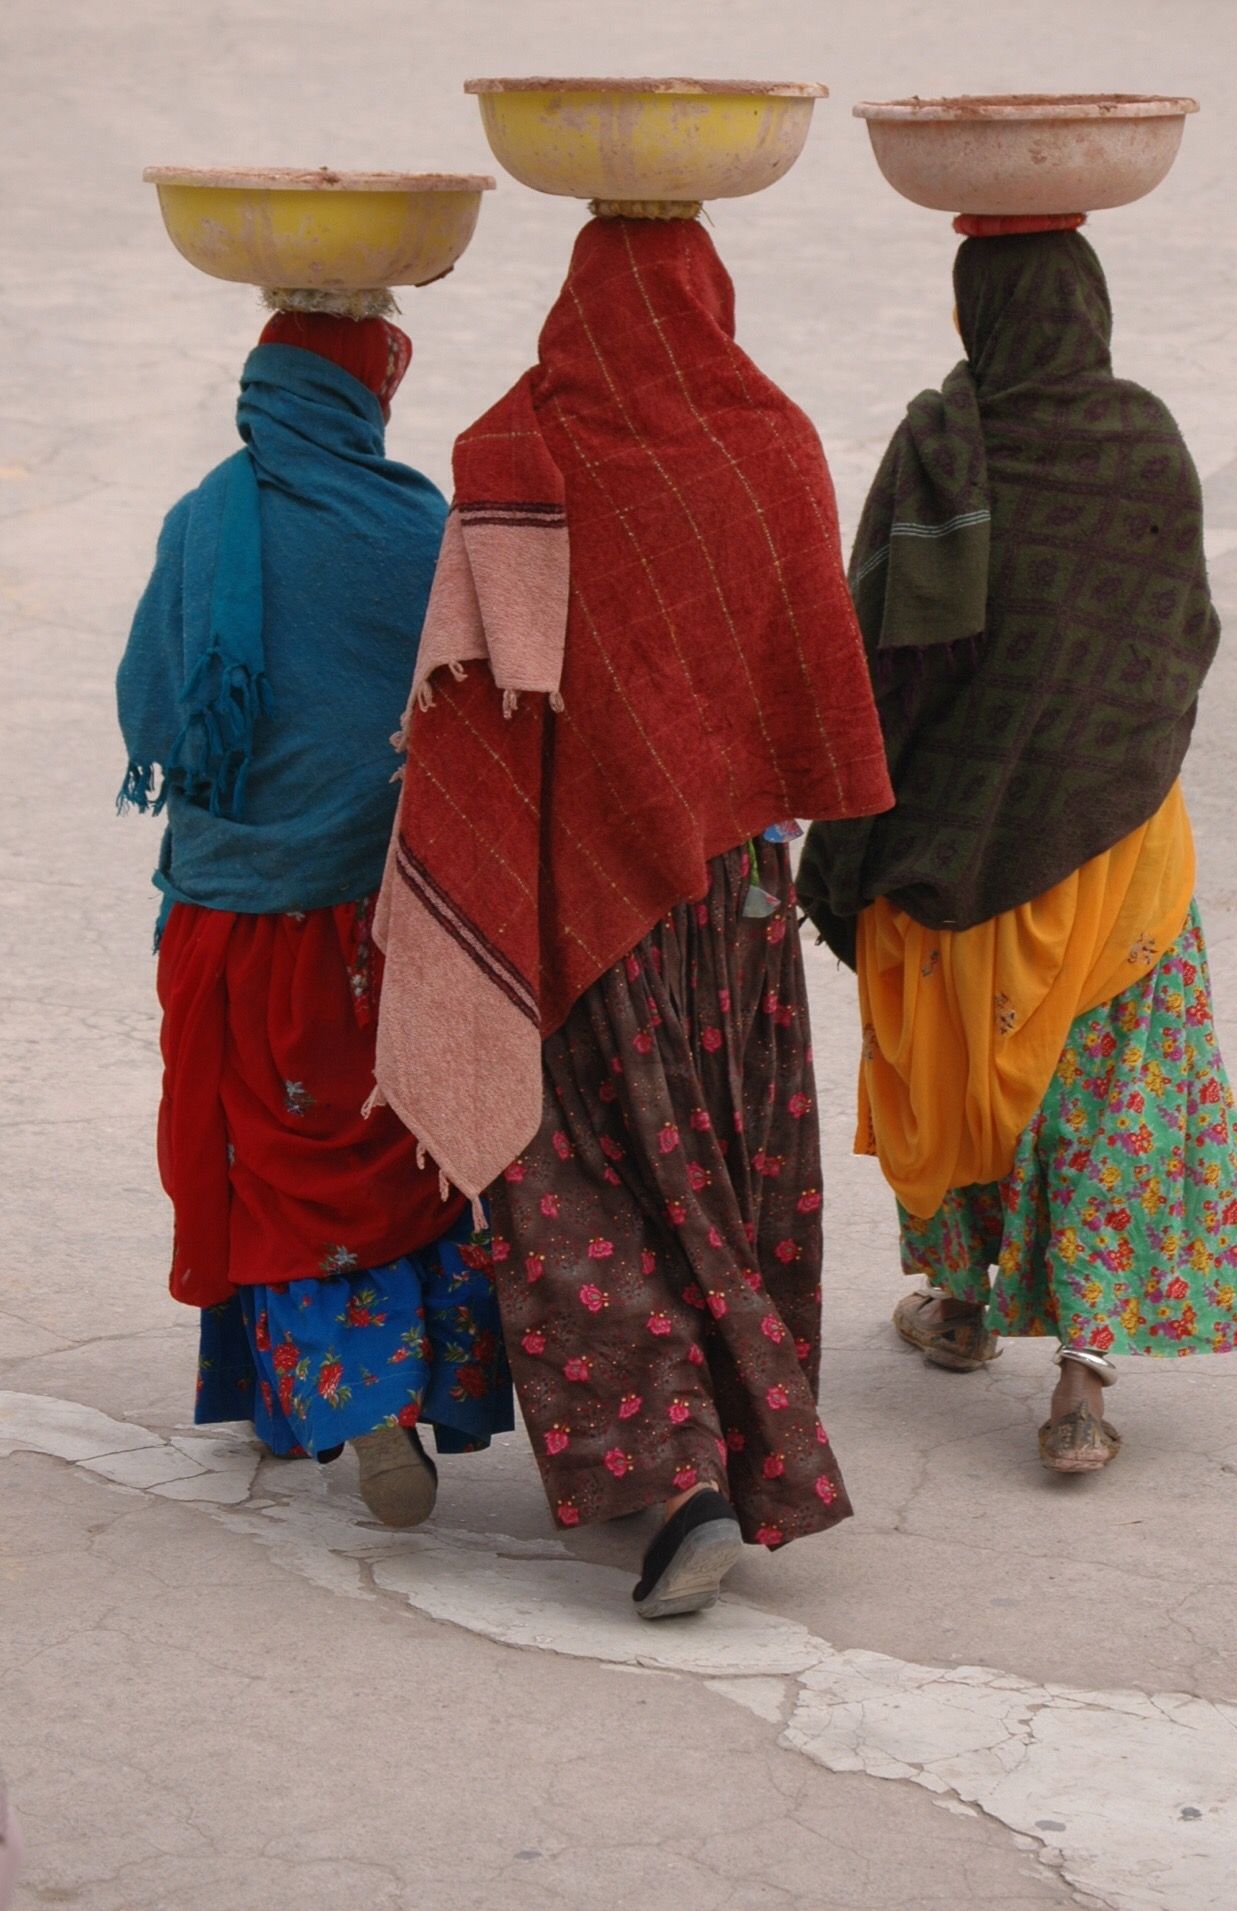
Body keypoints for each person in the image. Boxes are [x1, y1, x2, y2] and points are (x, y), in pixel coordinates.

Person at [370, 213, 893, 1613]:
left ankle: (676, 1480)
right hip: (732, 903)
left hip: (571, 895)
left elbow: (468, 702)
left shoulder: (512, 458)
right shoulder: (768, 445)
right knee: (722, 1171)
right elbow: (806, 678)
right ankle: (735, 1457)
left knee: (576, 1182)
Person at [798, 221, 1237, 1474]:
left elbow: (877, 659)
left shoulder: (942, 449)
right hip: (1116, 849)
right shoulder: (1145, 442)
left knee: (963, 1068)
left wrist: (850, 841)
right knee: (1110, 1091)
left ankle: (962, 1306)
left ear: (975, 319)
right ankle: (1081, 1382)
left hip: (956, 854)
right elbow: (1186, 631)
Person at [116, 310, 514, 1525]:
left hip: (235, 919)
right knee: (392, 1152)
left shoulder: (203, 523)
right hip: (380, 925)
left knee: (270, 1157)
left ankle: (347, 1406)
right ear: (363, 398)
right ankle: (394, 1396)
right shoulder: (418, 529)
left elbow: (150, 713)